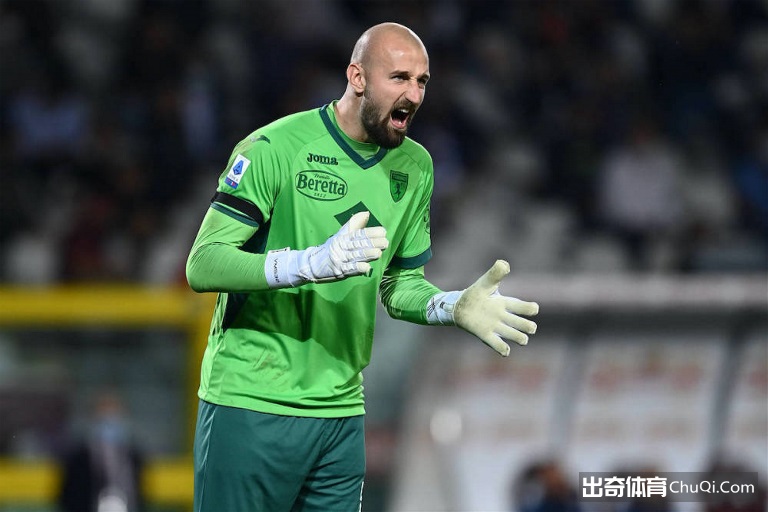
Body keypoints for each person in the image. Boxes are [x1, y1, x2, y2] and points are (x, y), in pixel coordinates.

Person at [185, 22, 539, 512]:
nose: (414, 95)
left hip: (342, 413)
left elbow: (400, 285)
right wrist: (306, 263)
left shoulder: (415, 166)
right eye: (399, 78)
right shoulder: (274, 148)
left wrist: (449, 305)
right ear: (357, 77)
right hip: (251, 402)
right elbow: (203, 264)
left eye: (422, 81)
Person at [57, 391, 145, 512]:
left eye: (113, 415)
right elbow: (68, 497)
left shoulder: (134, 456)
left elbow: (141, 493)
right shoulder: (78, 457)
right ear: (92, 419)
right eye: (104, 417)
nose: (109, 421)